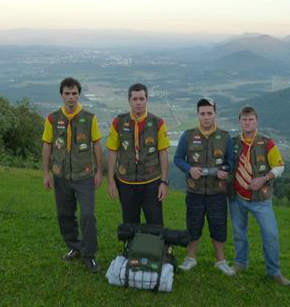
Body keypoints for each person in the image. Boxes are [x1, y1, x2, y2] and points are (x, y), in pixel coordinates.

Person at [42, 77, 103, 273]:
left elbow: (96, 145)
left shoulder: (89, 117)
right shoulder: (52, 118)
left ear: (79, 95)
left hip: (84, 175)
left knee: (87, 216)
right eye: (67, 94)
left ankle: (89, 255)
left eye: (74, 93)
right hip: (61, 175)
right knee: (64, 215)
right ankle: (74, 247)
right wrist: (46, 173)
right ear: (61, 95)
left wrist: (99, 172)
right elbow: (47, 145)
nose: (71, 97)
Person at [227, 106, 290, 286]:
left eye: (251, 119)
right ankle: (240, 263)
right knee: (239, 233)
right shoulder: (232, 143)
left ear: (257, 121)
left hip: (261, 200)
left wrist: (264, 178)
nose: (247, 122)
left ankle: (274, 272)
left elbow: (280, 166)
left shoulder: (266, 142)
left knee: (270, 235)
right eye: (244, 119)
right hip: (237, 198)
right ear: (239, 121)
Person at [174, 98, 235, 276]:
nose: (206, 117)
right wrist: (189, 169)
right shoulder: (187, 135)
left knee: (219, 226)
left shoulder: (225, 137)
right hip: (195, 191)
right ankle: (190, 259)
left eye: (210, 113)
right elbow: (178, 159)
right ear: (198, 115)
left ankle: (221, 261)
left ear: (215, 114)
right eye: (203, 113)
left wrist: (225, 170)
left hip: (218, 192)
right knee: (193, 226)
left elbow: (230, 162)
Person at [106, 83, 170, 225]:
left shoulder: (157, 123)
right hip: (125, 182)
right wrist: (111, 180)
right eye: (135, 99)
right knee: (129, 222)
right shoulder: (118, 122)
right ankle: (130, 247)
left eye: (142, 98)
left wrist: (164, 182)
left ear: (147, 99)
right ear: (129, 100)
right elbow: (112, 152)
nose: (138, 103)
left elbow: (163, 153)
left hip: (151, 182)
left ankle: (157, 247)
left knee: (155, 222)